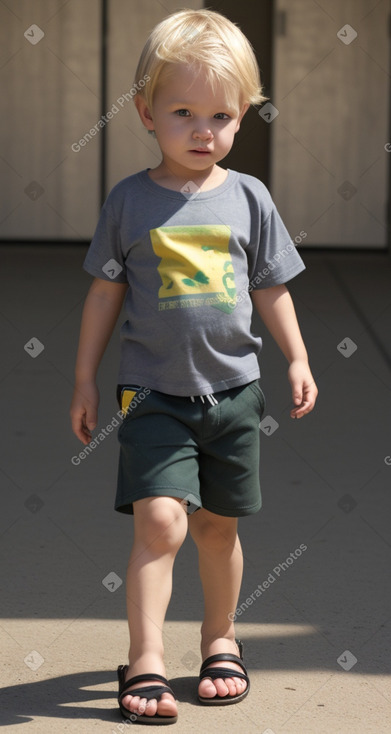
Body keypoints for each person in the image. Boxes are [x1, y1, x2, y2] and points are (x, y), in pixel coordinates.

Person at [70, 8, 318, 725]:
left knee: (217, 528)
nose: (202, 131)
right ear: (145, 112)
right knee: (160, 524)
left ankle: (219, 640)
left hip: (234, 395)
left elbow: (271, 284)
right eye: (182, 112)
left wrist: (298, 357)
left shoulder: (249, 199)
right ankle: (145, 656)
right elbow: (103, 293)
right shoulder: (129, 200)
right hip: (150, 394)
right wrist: (85, 378)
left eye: (221, 115)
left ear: (242, 117)